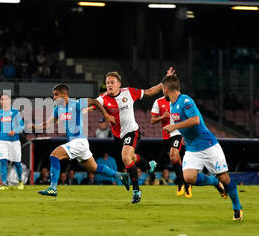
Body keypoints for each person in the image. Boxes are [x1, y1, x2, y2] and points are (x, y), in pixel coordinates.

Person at [87, 68, 175, 204]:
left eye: (112, 82)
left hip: (132, 131)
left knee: (126, 157)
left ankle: (136, 190)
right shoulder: (103, 99)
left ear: (119, 84)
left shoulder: (128, 92)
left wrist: (165, 80)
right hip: (118, 136)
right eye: (107, 82)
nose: (109, 85)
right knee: (131, 158)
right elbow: (91, 106)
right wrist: (78, 109)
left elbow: (150, 92)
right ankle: (148, 166)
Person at [162, 74, 243, 221]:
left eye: (163, 88)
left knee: (225, 178)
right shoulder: (172, 105)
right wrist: (183, 137)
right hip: (192, 148)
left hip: (208, 146)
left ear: (166, 89)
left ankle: (237, 207)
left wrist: (174, 126)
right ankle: (214, 182)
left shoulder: (186, 100)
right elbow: (184, 124)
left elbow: (195, 120)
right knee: (188, 177)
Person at [29, 83, 129, 197]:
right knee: (94, 168)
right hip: (78, 143)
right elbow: (47, 124)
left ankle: (53, 188)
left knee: (54, 155)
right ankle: (121, 176)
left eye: (56, 95)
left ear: (64, 94)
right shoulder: (58, 109)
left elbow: (95, 101)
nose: (54, 98)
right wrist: (34, 127)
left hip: (79, 141)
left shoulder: (76, 103)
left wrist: (106, 115)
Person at [151, 95, 191, 197]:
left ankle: (180, 183)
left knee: (173, 155)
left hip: (177, 133)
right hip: (166, 136)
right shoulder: (158, 102)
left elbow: (187, 117)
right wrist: (162, 117)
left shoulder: (181, 100)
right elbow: (152, 120)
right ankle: (187, 184)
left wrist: (185, 134)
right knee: (176, 159)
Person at [0, 93, 24, 190]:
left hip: (14, 141)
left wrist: (14, 131)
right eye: (2, 99)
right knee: (3, 161)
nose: (4, 101)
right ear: (0, 101)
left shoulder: (15, 112)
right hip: (2, 141)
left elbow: (22, 126)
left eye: (6, 99)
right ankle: (4, 184)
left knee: (17, 163)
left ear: (10, 101)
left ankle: (20, 181)